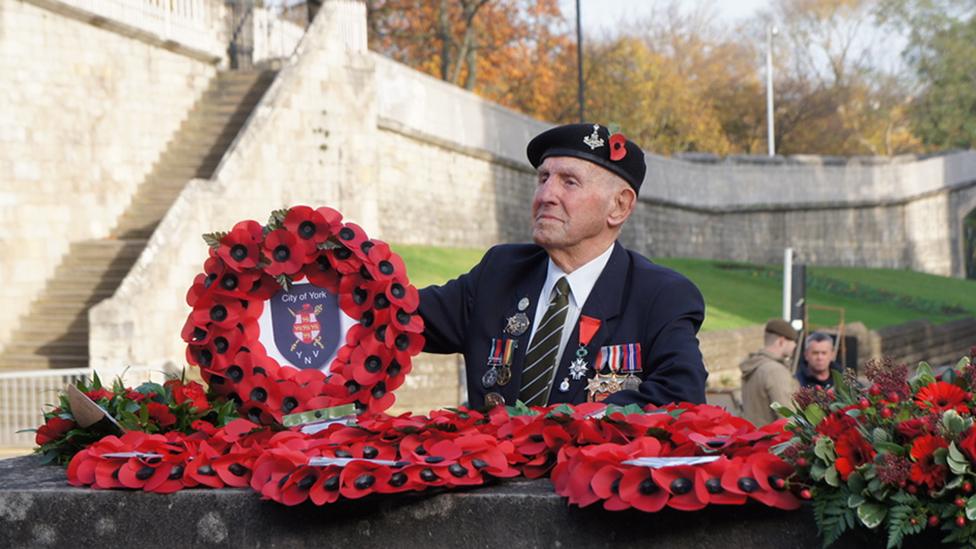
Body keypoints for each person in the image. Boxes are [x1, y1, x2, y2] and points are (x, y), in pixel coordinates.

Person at [418, 123, 707, 409]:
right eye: (543, 178)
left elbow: (682, 398)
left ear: (619, 206)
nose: (545, 196)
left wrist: (560, 430)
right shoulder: (500, 272)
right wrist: (372, 262)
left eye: (569, 182)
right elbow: (399, 314)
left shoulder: (660, 296)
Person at [739, 319, 799, 425]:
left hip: (752, 436)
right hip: (773, 439)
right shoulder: (775, 371)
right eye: (793, 341)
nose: (795, 345)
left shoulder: (754, 365)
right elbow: (787, 417)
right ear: (781, 341)